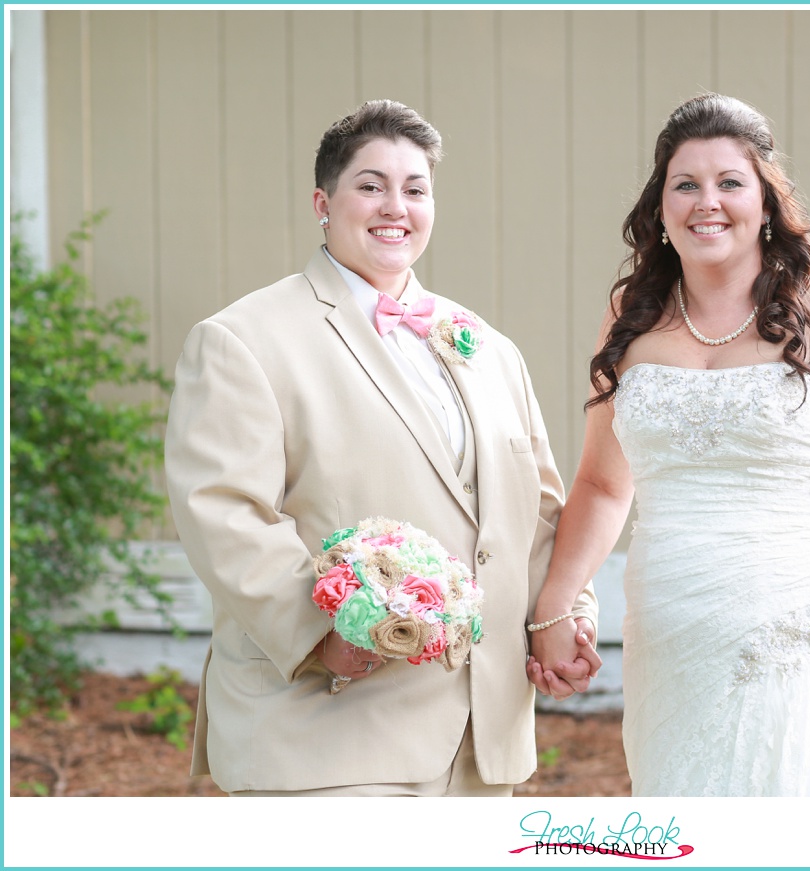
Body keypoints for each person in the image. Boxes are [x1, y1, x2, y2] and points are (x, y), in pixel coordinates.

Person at [165, 99, 598, 797]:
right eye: (371, 185)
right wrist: (319, 632)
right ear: (322, 201)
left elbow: (539, 511)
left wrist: (566, 619)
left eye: (415, 188)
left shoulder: (487, 347)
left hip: (482, 743)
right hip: (327, 730)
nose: (396, 206)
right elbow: (223, 511)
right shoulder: (243, 339)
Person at [529, 93, 810, 796]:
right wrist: (554, 605)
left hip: (805, 633)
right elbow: (602, 486)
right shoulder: (630, 321)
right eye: (684, 184)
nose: (706, 202)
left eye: (730, 182)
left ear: (765, 203)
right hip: (670, 640)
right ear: (659, 207)